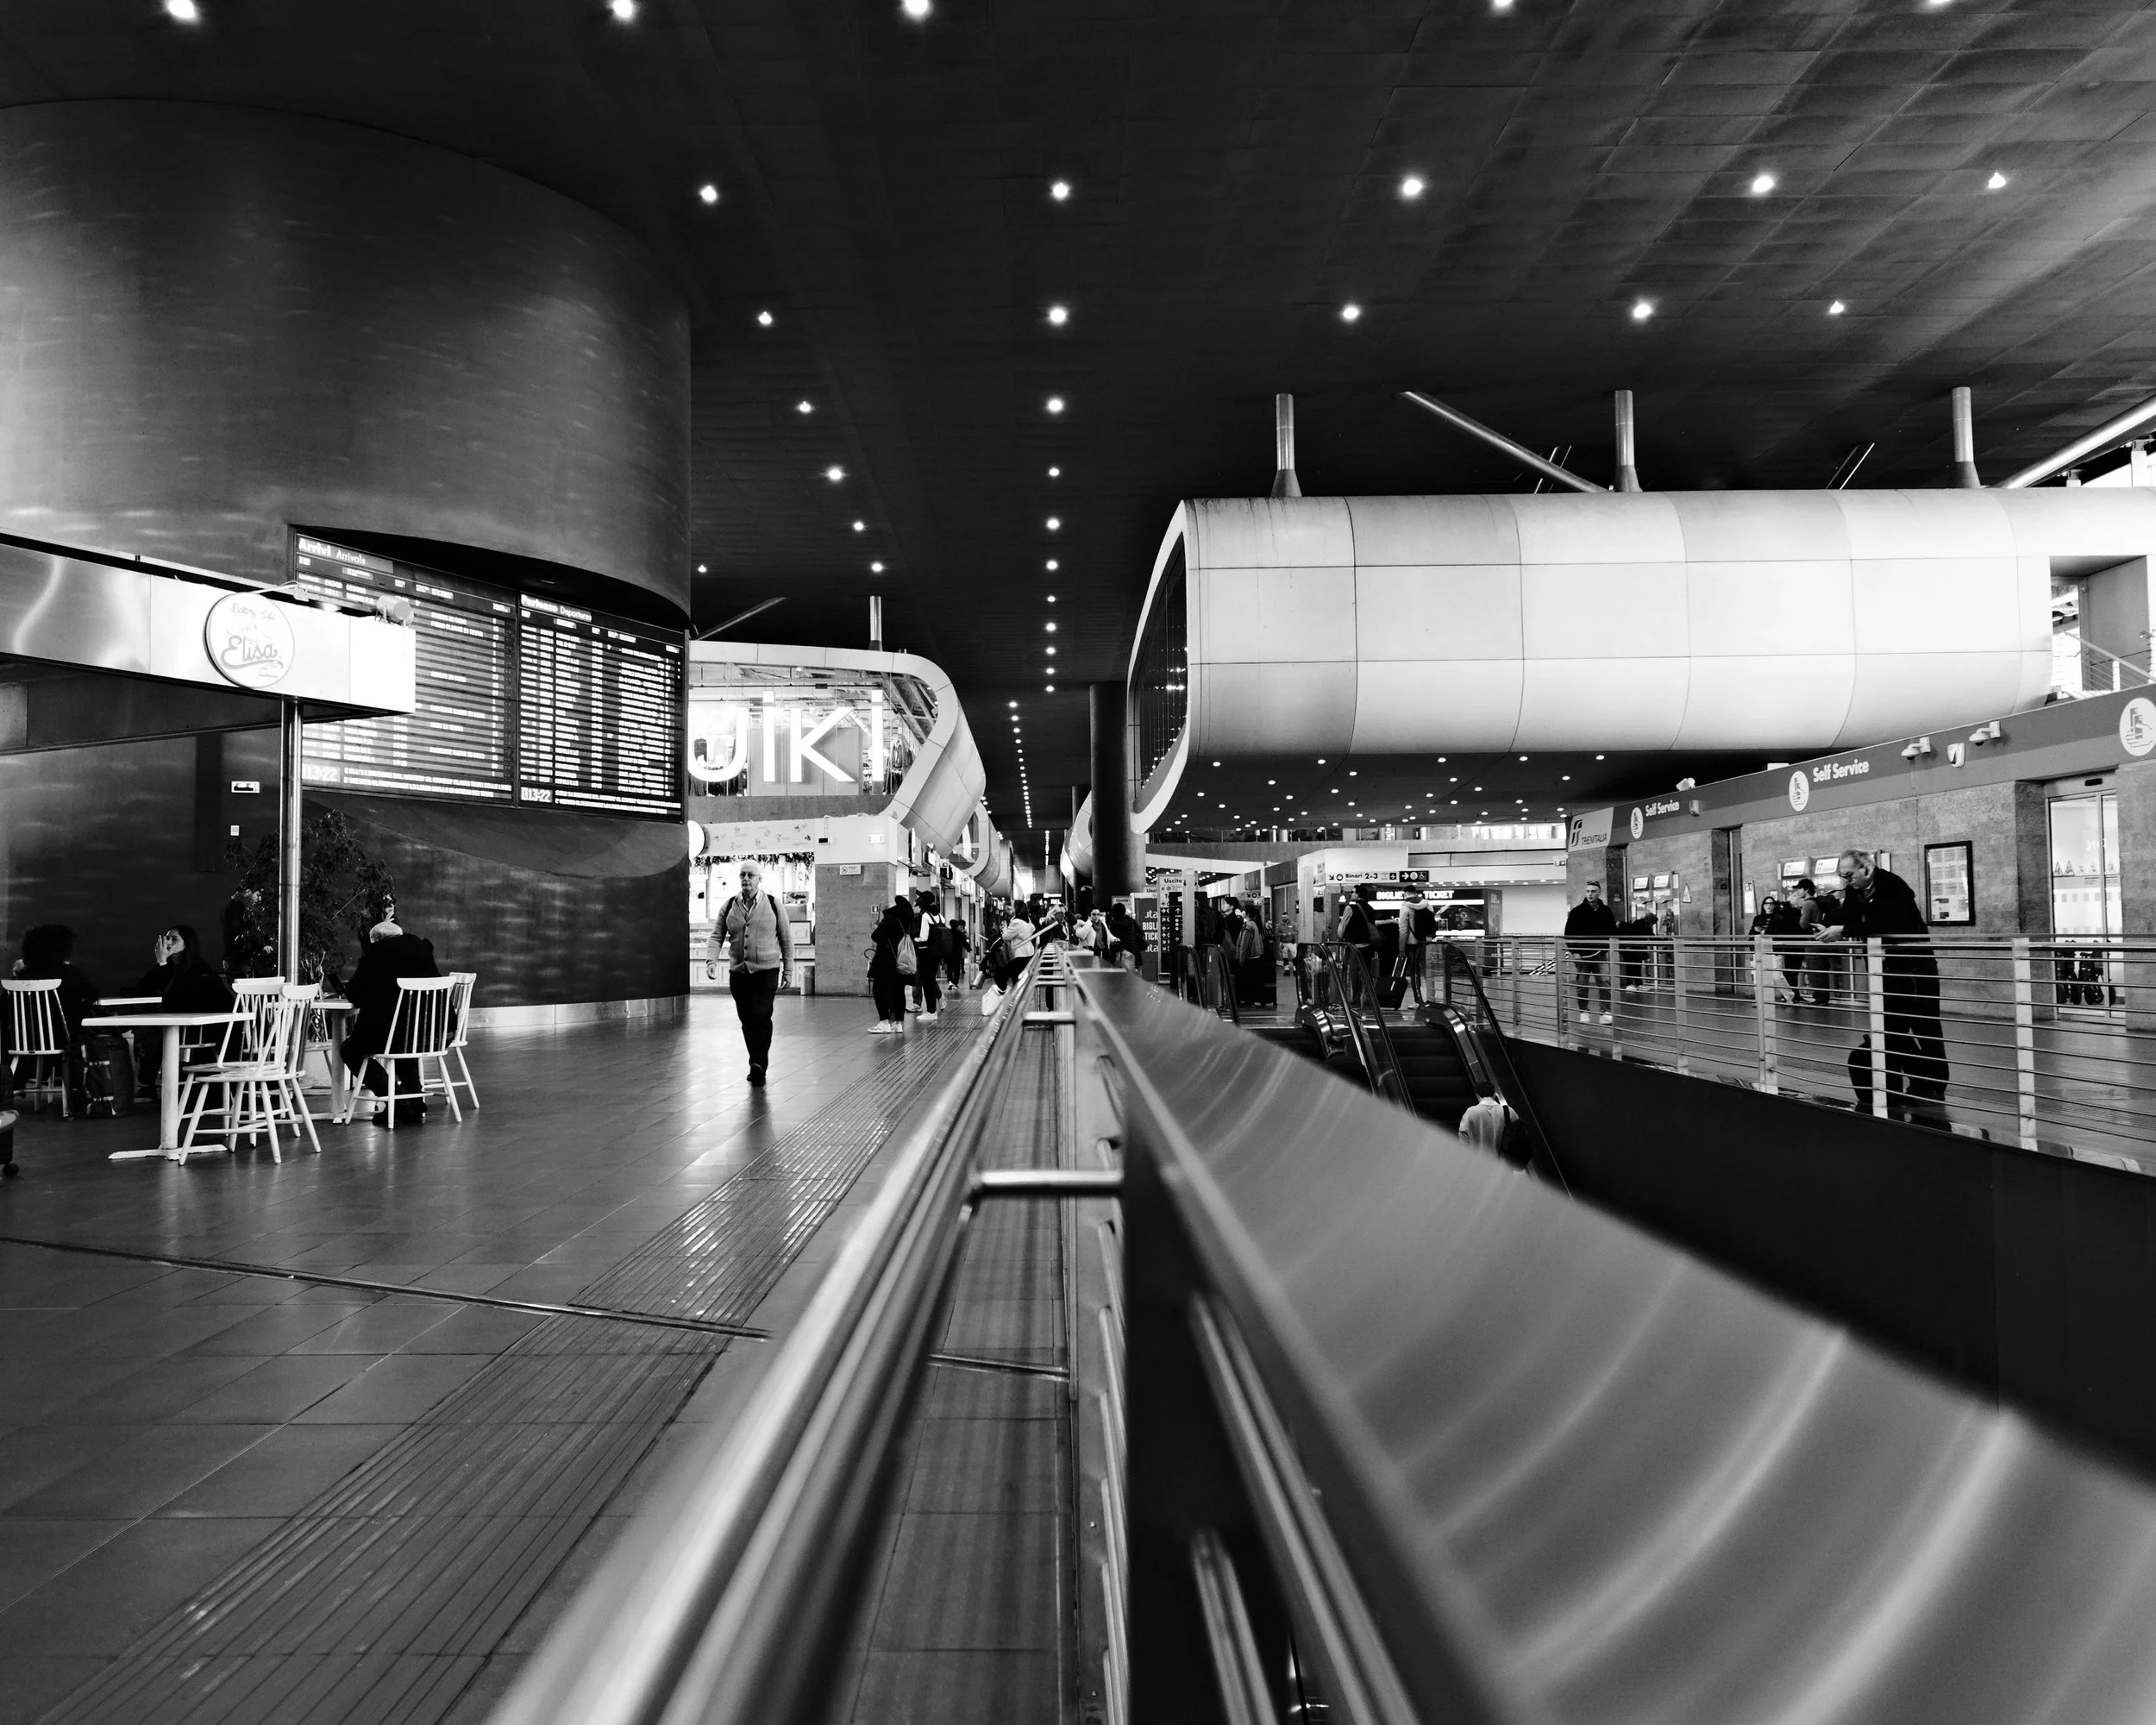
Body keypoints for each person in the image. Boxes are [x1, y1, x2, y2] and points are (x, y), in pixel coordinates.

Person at [1816, 849, 1948, 1119]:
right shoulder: (1856, 890)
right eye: (1843, 876)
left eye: (1850, 875)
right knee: (1892, 1028)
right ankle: (1923, 1081)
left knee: (1924, 1025)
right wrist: (1831, 926)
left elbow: (1887, 922)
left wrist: (1846, 931)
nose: (1846, 881)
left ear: (1867, 867)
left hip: (1914, 968)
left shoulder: (1893, 885)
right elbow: (1849, 919)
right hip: (1886, 969)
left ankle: (1933, 1085)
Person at [341, 914, 442, 1122]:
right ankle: (415, 1101)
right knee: (405, 1042)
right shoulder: (423, 952)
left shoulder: (376, 954)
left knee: (350, 1050)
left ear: (375, 941)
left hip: (393, 1034)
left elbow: (356, 994)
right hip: (431, 1032)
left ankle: (396, 1099)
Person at [715, 862, 792, 1082]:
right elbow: (717, 935)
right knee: (747, 1020)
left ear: (760, 879)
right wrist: (711, 960)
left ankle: (758, 1064)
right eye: (742, 875)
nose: (746, 878)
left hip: (766, 972)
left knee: (760, 1016)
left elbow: (786, 939)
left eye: (750, 875)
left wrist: (789, 969)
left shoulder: (773, 904)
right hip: (739, 974)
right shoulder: (730, 905)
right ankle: (756, 1059)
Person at [133, 925, 235, 1089]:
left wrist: (163, 965)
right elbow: (143, 989)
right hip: (174, 1023)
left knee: (153, 1034)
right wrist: (161, 963)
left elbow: (181, 999)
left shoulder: (199, 969)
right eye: (167, 939)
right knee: (145, 1032)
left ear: (187, 944)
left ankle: (146, 1085)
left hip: (195, 1029)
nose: (168, 943)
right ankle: (146, 1085)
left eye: (174, 939)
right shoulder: (168, 967)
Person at [1564, 882, 1616, 1025]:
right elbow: (1569, 933)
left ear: (1599, 893)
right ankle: (1584, 1011)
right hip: (1582, 955)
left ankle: (1605, 1012)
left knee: (1604, 983)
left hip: (1600, 954)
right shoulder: (1577, 912)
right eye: (1587, 891)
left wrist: (1605, 949)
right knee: (1582, 985)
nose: (1590, 894)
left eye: (1593, 891)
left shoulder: (1606, 911)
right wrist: (1574, 952)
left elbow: (1612, 932)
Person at [1785, 878, 1828, 1004]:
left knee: (1815, 970)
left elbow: (1803, 924)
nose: (1798, 891)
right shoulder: (1816, 902)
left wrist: (1799, 915)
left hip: (1813, 940)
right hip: (1820, 939)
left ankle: (1820, 998)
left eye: (1800, 888)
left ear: (1806, 889)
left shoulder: (1808, 903)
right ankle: (1822, 997)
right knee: (1820, 969)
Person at [912, 890, 945, 1023]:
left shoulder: (925, 916)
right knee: (931, 981)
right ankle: (933, 1009)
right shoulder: (940, 917)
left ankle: (931, 1011)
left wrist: (915, 939)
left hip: (927, 954)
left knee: (927, 982)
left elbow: (923, 937)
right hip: (938, 954)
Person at [1620, 900, 1660, 994]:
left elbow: (1651, 937)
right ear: (1651, 922)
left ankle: (1637, 984)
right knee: (1631, 966)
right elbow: (1651, 937)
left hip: (1634, 949)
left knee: (1636, 966)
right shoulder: (1639, 925)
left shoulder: (1642, 925)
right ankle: (1630, 984)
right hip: (1630, 949)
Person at [996, 901, 1037, 988]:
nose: (1010, 908)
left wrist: (1005, 930)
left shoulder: (1017, 922)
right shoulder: (1027, 919)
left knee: (1003, 975)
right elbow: (1033, 928)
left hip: (1020, 954)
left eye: (1013, 907)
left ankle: (1008, 996)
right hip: (1027, 953)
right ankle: (1015, 998)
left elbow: (1006, 937)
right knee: (1016, 978)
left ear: (1017, 908)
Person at [1106, 901, 1147, 971]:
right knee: (1136, 975)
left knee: (1124, 976)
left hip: (1122, 953)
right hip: (1135, 951)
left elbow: (1112, 938)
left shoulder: (1114, 923)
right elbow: (1141, 933)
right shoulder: (1131, 921)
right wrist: (1133, 939)